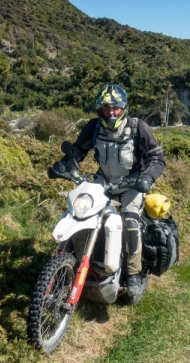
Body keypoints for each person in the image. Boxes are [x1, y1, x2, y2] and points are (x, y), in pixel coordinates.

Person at [51, 84, 165, 295]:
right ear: (99, 109)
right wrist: (64, 164)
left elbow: (156, 158)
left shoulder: (138, 127)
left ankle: (133, 274)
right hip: (103, 181)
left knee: (130, 221)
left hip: (131, 183)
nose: (110, 113)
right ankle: (78, 263)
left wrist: (147, 177)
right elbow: (78, 149)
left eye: (115, 108)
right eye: (105, 108)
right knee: (81, 214)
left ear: (123, 107)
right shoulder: (94, 126)